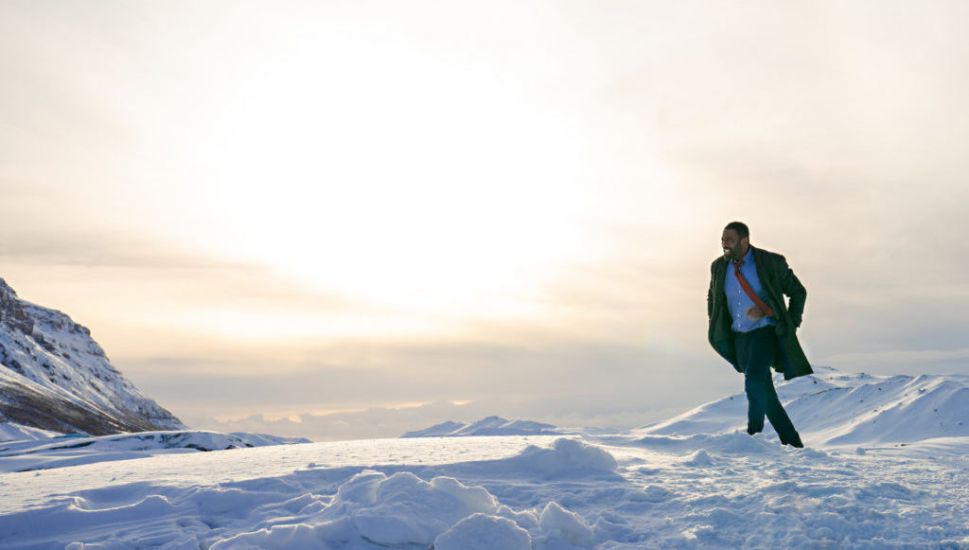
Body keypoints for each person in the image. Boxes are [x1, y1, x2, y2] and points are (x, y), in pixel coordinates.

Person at [707, 221, 812, 448]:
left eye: (730, 239)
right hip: (739, 337)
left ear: (744, 241)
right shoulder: (718, 267)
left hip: (765, 332)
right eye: (723, 239)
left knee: (753, 381)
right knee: (767, 396)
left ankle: (753, 438)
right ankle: (793, 444)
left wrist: (789, 323)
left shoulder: (770, 263)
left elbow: (798, 292)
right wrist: (714, 321)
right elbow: (712, 297)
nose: (725, 243)